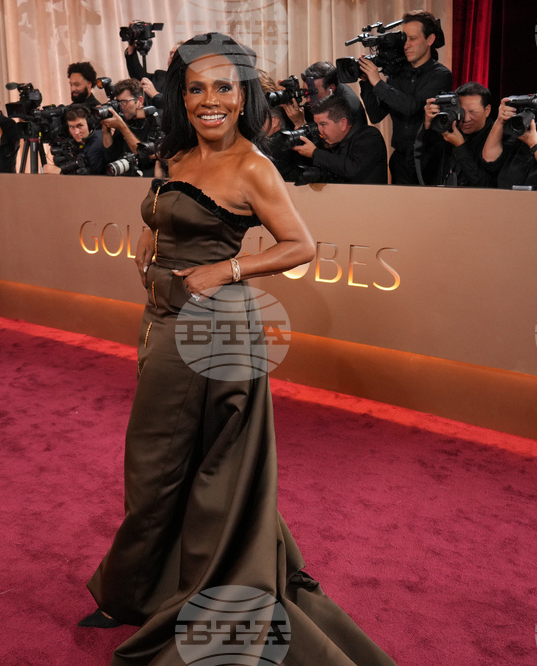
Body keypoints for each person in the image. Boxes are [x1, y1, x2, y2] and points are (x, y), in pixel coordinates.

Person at [80, 32, 396, 666]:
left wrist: (226, 270)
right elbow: (164, 210)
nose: (210, 100)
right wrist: (149, 239)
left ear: (242, 95)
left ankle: (160, 593)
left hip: (211, 327)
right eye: (196, 88)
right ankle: (143, 586)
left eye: (223, 87)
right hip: (163, 318)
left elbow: (301, 245)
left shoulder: (253, 165)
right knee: (177, 459)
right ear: (181, 97)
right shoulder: (176, 154)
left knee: (166, 460)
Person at [359, 10, 452, 184]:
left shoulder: (441, 75)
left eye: (413, 38)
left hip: (430, 160)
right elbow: (376, 115)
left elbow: (411, 106)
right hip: (400, 161)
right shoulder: (396, 74)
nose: (406, 45)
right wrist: (367, 83)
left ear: (430, 40)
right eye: (404, 38)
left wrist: (378, 82)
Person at [292, 93, 388, 184]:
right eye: (317, 125)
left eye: (323, 124)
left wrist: (315, 153)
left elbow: (352, 169)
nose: (319, 130)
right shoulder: (329, 140)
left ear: (343, 124)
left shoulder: (370, 136)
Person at [415, 81, 496, 187]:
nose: (466, 119)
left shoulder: (497, 138)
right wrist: (427, 126)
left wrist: (460, 146)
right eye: (461, 112)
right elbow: (421, 170)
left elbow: (487, 185)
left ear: (487, 110)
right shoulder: (448, 131)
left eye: (473, 112)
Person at [100, 78, 154, 176]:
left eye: (124, 101)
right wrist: (105, 126)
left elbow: (145, 158)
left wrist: (123, 127)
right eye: (118, 102)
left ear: (140, 101)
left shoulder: (153, 119)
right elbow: (110, 156)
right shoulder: (123, 119)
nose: (121, 106)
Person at [302, 60, 368, 128]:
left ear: (331, 88)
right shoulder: (332, 88)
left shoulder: (347, 109)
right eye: (306, 92)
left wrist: (300, 123)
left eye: (313, 93)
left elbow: (326, 134)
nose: (308, 99)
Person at [42, 105, 105, 175]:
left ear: (89, 124)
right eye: (72, 127)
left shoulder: (98, 142)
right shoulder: (76, 143)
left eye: (80, 126)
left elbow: (94, 177)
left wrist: (60, 172)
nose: (76, 132)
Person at [124, 40, 179, 110]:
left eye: (176, 53)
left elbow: (178, 105)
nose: (172, 56)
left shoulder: (188, 80)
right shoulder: (159, 76)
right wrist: (131, 48)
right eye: (171, 53)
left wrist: (155, 95)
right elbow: (139, 76)